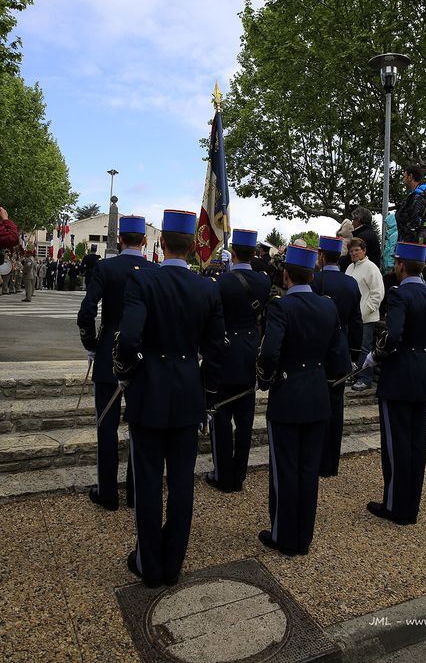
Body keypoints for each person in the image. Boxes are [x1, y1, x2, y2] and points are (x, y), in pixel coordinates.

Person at [113, 209, 224, 588]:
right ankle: (172, 563)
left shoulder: (143, 281)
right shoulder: (207, 288)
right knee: (181, 483)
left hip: (149, 392)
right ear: (194, 246)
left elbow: (127, 340)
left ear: (161, 243)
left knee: (146, 481)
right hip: (188, 394)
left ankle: (149, 564)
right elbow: (215, 351)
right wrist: (207, 396)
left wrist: (125, 374)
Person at [256, 243, 344, 556]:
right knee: (308, 471)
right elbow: (340, 359)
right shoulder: (327, 306)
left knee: (285, 470)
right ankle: (302, 538)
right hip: (318, 397)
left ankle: (283, 536)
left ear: (285, 274)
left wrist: (264, 380)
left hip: (288, 397)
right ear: (313, 273)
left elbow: (269, 352)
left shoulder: (281, 307)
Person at [365, 242, 426, 525]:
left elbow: (394, 334)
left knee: (396, 445)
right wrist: (425, 367)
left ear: (400, 265)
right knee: (415, 445)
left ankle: (395, 507)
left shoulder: (400, 295)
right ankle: (410, 506)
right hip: (422, 376)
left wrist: (375, 355)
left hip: (398, 377)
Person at [77, 216, 151, 512]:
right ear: (144, 241)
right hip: (141, 358)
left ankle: (107, 492)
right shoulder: (153, 270)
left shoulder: (105, 268)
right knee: (140, 427)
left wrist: (92, 344)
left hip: (109, 353)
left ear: (120, 239)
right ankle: (135, 491)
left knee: (105, 426)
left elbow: (86, 312)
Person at [206, 229, 272, 492]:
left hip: (225, 349)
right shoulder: (263, 282)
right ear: (254, 253)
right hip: (250, 350)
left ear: (232, 254)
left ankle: (223, 475)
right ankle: (239, 475)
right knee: (245, 421)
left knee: (221, 417)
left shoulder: (221, 282)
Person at [312, 235, 363, 476]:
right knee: (336, 405)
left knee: (315, 405)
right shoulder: (350, 283)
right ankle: (331, 463)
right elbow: (357, 321)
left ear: (321, 255)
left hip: (316, 348)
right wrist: (353, 354)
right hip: (341, 347)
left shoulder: (314, 279)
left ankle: (315, 458)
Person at [345, 237, 385, 391]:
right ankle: (353, 375)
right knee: (351, 347)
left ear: (364, 251)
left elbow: (378, 294)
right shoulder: (350, 268)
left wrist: (363, 312)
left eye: (357, 250)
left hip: (365, 318)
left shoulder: (371, 268)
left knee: (364, 348)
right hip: (351, 318)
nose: (354, 253)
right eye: (351, 251)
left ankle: (365, 378)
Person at [395, 164, 426, 247]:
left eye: (404, 176)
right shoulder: (421, 195)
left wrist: (405, 243)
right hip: (419, 242)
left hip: (412, 246)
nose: (403, 180)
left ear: (410, 177)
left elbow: (413, 223)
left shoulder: (417, 198)